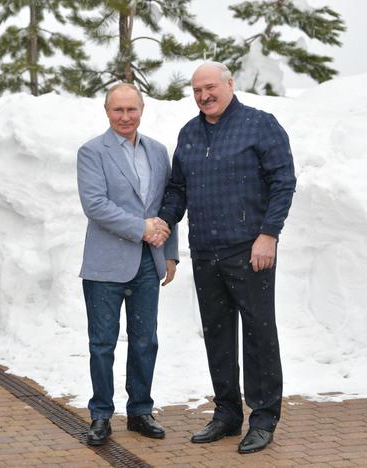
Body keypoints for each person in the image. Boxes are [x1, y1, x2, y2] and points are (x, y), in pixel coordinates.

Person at [158, 62, 296, 454]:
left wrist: (268, 235)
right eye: (197, 90)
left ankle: (264, 418)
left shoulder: (259, 125)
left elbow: (283, 182)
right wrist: (163, 223)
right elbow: (177, 190)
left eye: (210, 87)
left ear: (229, 84)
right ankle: (227, 413)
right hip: (205, 251)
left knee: (258, 333)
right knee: (217, 334)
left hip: (249, 250)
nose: (204, 95)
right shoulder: (189, 133)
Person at [77, 83, 179, 446]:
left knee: (144, 341)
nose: (125, 117)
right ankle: (101, 415)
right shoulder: (92, 152)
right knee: (102, 343)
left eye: (131, 110)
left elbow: (167, 204)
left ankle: (140, 411)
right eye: (118, 110)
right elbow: (95, 205)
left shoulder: (157, 151)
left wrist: (169, 252)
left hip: (149, 263)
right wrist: (141, 229)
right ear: (107, 112)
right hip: (105, 265)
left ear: (141, 110)